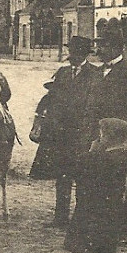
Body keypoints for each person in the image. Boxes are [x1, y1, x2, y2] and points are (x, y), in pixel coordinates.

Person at [84, 27, 127, 237]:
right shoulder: (94, 72)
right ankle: (99, 224)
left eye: (102, 45)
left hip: (118, 137)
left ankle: (121, 227)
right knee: (95, 179)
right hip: (95, 137)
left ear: (116, 48)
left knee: (119, 181)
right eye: (97, 44)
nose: (98, 49)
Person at [34, 36, 100, 227]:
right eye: (71, 52)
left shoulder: (94, 74)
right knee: (62, 176)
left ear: (85, 54)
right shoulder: (62, 73)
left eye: (77, 52)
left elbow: (95, 105)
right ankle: (60, 217)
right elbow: (51, 97)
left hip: (83, 133)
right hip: (61, 134)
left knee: (83, 177)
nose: (73, 56)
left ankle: (81, 218)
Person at [65, 118, 127, 253]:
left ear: (110, 137)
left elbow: (81, 170)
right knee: (106, 246)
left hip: (103, 210)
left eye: (102, 134)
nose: (99, 137)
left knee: (105, 247)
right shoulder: (120, 155)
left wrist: (92, 152)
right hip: (113, 209)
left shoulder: (106, 158)